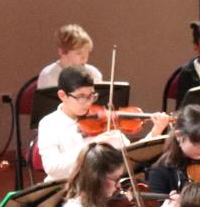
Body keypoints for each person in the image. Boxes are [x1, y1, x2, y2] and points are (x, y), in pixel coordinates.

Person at [38, 67, 168, 183]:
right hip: (67, 190)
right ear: (62, 95)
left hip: (103, 188)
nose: (88, 102)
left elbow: (132, 156)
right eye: (81, 97)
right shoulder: (49, 124)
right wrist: (91, 145)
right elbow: (52, 167)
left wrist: (156, 131)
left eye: (91, 96)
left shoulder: (103, 120)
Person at [35, 22, 102, 93]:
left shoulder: (93, 74)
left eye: (86, 52)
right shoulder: (49, 75)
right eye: (79, 53)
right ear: (62, 52)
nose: (84, 57)